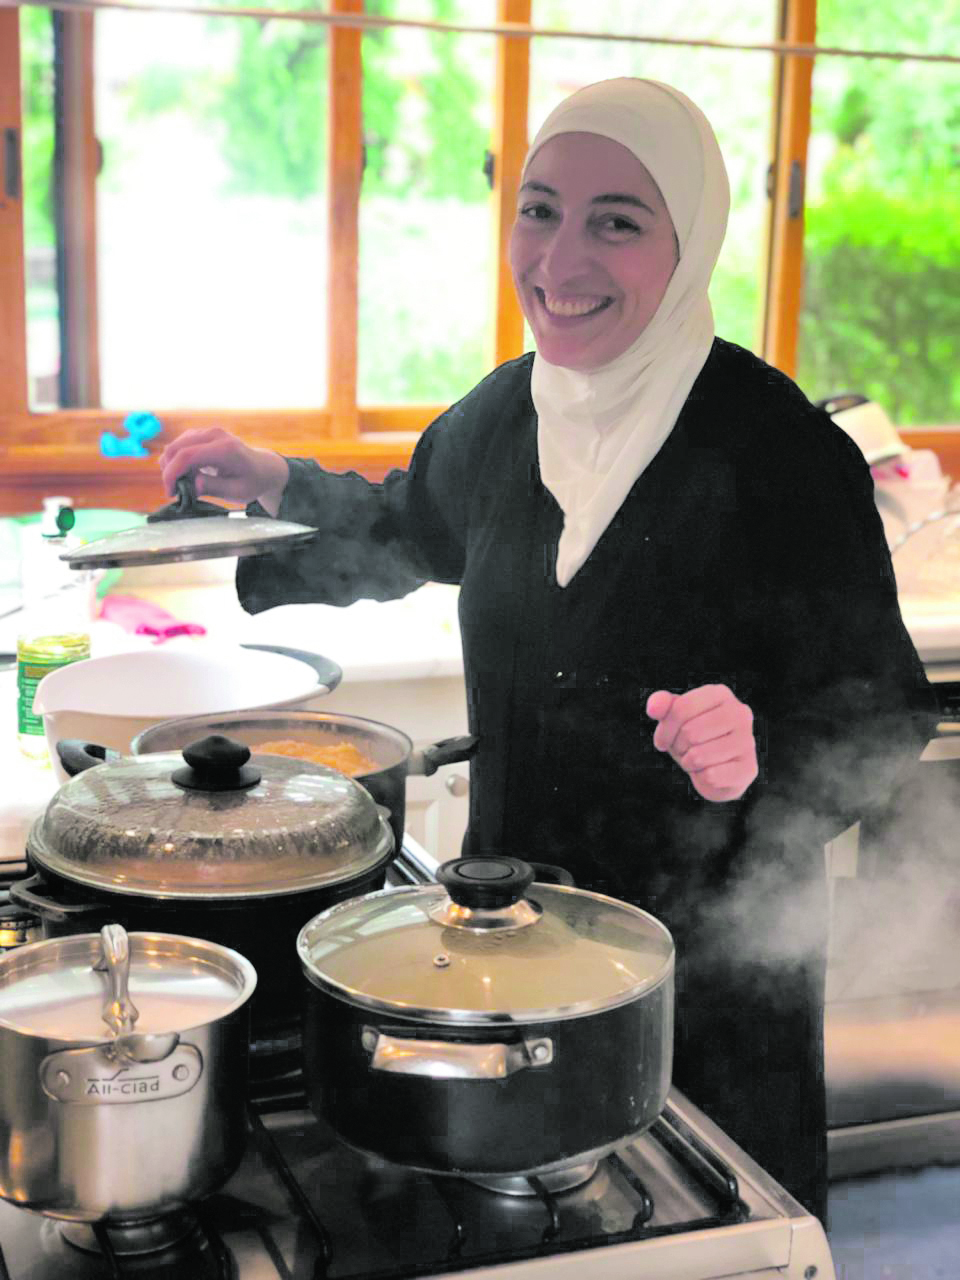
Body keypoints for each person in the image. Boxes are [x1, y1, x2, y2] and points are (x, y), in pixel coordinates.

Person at [159, 77, 936, 1223]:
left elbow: (881, 715)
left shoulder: (782, 454)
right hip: (511, 952)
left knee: (704, 1235)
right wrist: (275, 485)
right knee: (535, 1226)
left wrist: (761, 749)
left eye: (617, 220)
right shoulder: (507, 414)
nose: (560, 259)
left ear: (690, 238)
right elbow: (408, 526)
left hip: (707, 990)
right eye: (539, 209)